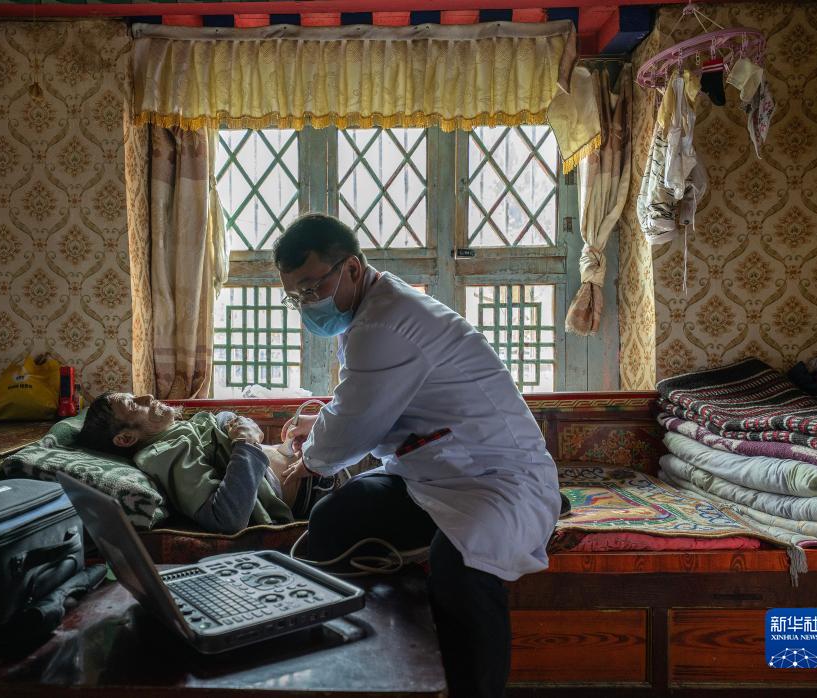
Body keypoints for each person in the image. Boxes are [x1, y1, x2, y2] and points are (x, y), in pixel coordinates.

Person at [274, 213, 561, 698]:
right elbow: (363, 405)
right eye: (296, 296)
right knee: (333, 519)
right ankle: (370, 663)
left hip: (495, 477)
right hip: (429, 475)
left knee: (462, 563)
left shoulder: (387, 321)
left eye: (312, 287)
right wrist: (320, 429)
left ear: (352, 268)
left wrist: (310, 460)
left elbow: (353, 425)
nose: (307, 304)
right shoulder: (369, 313)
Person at [76, 392, 319, 534]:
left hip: (313, 461)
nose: (147, 396)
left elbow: (221, 421)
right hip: (314, 491)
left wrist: (231, 423)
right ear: (126, 438)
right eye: (133, 404)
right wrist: (246, 442)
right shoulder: (164, 454)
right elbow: (227, 517)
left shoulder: (175, 431)